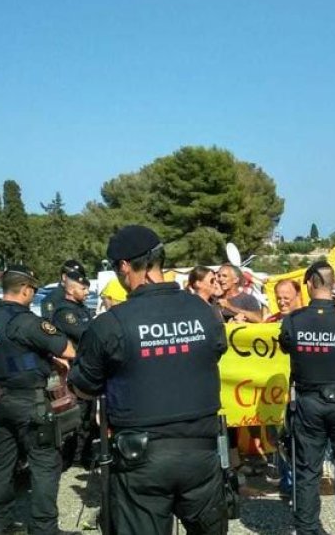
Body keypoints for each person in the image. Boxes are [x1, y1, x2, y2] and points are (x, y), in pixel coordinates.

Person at [68, 225, 230, 534]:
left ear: (126, 266)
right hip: (202, 453)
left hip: (141, 460)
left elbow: (83, 386)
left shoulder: (111, 324)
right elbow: (214, 353)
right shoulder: (204, 311)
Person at [0, 265, 76, 535]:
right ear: (24, 289)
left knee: (2, 460)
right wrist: (52, 359)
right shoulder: (26, 321)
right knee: (45, 463)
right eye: (32, 290)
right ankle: (45, 529)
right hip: (30, 402)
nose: (33, 295)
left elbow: (13, 352)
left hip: (0, 398)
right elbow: (66, 349)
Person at [278, 260, 335, 535]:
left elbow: (286, 348)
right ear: (332, 286)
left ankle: (307, 530)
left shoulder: (293, 321)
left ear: (309, 284)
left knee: (307, 472)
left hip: (308, 404)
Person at [42, 260, 94, 345]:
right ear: (64, 277)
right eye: (74, 276)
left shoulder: (78, 299)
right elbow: (50, 328)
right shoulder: (52, 299)